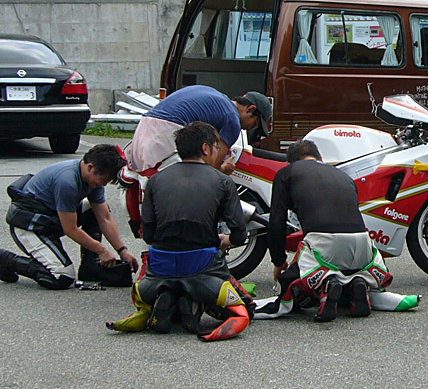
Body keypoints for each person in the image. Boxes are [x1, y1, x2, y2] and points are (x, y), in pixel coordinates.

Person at [107, 122, 251, 341]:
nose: (218, 152)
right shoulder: (222, 181)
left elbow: (149, 235)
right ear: (205, 148)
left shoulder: (156, 180)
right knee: (246, 308)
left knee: (157, 282)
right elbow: (240, 235)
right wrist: (226, 240)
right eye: (216, 147)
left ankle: (165, 302)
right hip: (203, 267)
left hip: (158, 270)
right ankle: (197, 302)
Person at [264, 139, 389, 322]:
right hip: (364, 245)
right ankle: (356, 285)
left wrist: (279, 261)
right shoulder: (344, 176)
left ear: (290, 162)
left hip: (324, 244)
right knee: (346, 270)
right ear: (320, 158)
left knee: (294, 285)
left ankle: (326, 288)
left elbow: (277, 222)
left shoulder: (287, 173)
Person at [0, 144, 138, 289]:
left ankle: (90, 267)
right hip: (29, 226)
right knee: (61, 277)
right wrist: (101, 250)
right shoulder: (67, 181)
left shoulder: (92, 181)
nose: (104, 184)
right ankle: (6, 260)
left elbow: (104, 218)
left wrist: (122, 251)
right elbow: (70, 229)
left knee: (92, 209)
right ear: (90, 167)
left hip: (52, 219)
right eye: (104, 179)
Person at [126, 85, 271, 175]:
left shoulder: (218, 97)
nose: (250, 129)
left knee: (143, 183)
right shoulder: (233, 120)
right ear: (250, 110)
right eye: (255, 125)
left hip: (145, 124)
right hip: (165, 132)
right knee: (170, 190)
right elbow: (210, 172)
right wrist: (224, 170)